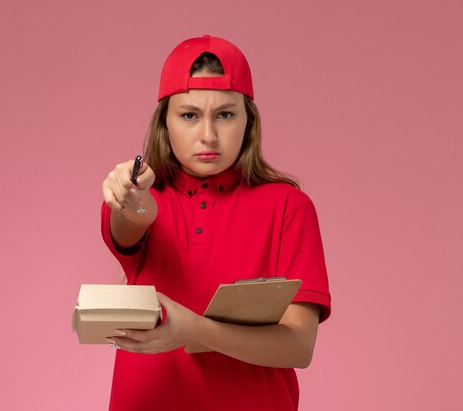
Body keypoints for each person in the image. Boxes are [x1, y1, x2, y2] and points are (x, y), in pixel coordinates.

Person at [101, 35, 331, 411]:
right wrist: (132, 199)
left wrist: (193, 331)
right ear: (165, 123)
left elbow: (298, 345)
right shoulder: (144, 201)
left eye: (225, 114)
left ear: (248, 121)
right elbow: (135, 217)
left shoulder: (290, 206)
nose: (208, 135)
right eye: (189, 115)